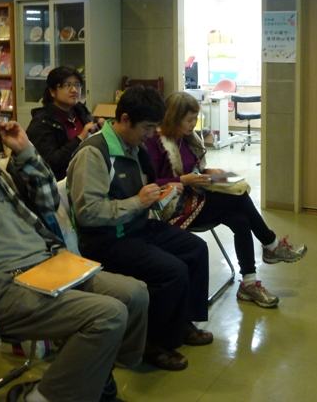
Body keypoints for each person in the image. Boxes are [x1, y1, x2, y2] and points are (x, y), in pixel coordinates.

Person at [0, 87, 149, 402]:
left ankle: (96, 372)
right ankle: (40, 398)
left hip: (47, 265)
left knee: (134, 294)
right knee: (108, 314)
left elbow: (49, 203)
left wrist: (25, 152)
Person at [67, 85, 211, 372]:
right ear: (124, 119)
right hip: (106, 239)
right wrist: (137, 202)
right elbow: (88, 213)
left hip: (137, 226)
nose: (151, 134)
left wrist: (161, 195)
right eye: (146, 127)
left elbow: (145, 191)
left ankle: (182, 322)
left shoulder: (135, 147)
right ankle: (150, 342)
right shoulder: (94, 153)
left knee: (196, 248)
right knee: (171, 271)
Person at [147, 91, 307, 308]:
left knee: (241, 219)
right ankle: (271, 244)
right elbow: (151, 182)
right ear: (174, 119)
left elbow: (194, 169)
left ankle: (249, 282)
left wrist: (208, 172)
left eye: (195, 118)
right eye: (189, 119)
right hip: (174, 205)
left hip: (196, 195)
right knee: (238, 198)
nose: (193, 124)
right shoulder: (155, 142)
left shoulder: (187, 139)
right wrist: (184, 179)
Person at [27, 66, 104, 181]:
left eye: (77, 85)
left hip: (86, 175)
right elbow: (49, 163)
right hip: (60, 182)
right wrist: (80, 138)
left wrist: (99, 129)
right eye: (67, 85)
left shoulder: (81, 111)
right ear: (52, 91)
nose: (74, 90)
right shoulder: (42, 122)